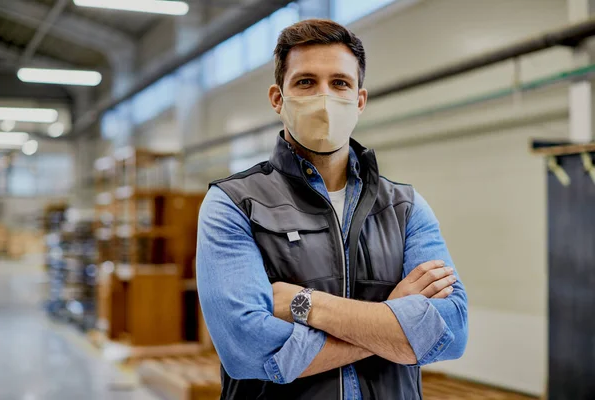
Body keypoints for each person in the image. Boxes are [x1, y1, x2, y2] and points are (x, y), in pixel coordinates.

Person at [196, 18, 468, 400]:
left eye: (339, 82)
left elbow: (451, 330)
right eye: (306, 82)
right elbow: (248, 349)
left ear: (359, 100)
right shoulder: (234, 204)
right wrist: (394, 320)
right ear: (278, 98)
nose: (324, 97)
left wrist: (306, 304)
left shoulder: (405, 208)